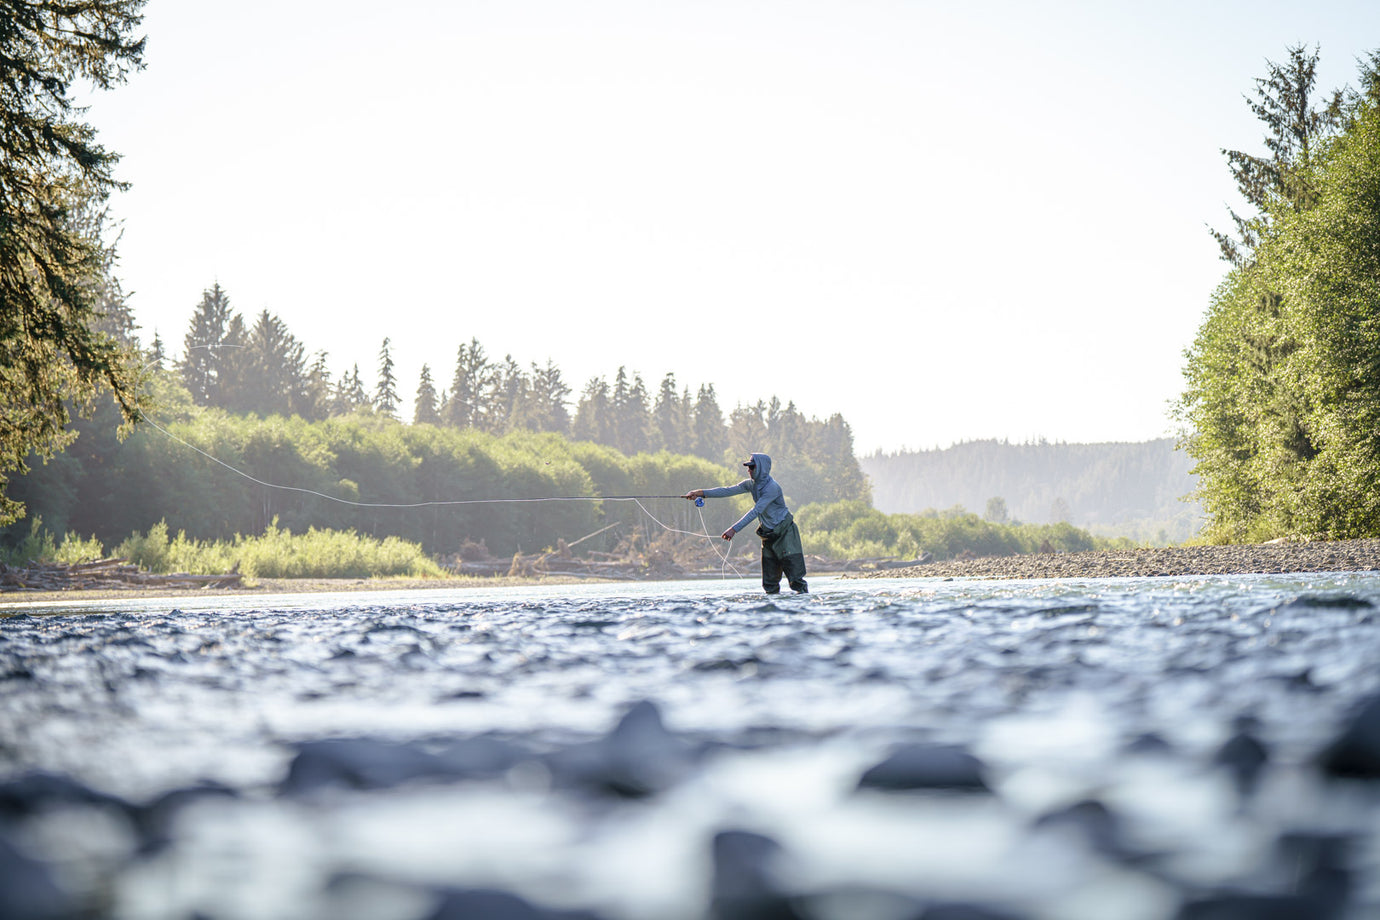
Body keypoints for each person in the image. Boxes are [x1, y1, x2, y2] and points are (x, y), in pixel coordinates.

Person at [684, 452, 808, 594]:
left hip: (786, 534)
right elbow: (727, 490)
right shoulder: (751, 484)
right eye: (748, 467)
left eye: (752, 467)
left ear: (761, 468)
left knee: (796, 579)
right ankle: (772, 612)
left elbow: (756, 511)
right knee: (769, 583)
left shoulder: (772, 488)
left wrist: (734, 529)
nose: (748, 470)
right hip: (768, 535)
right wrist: (699, 493)